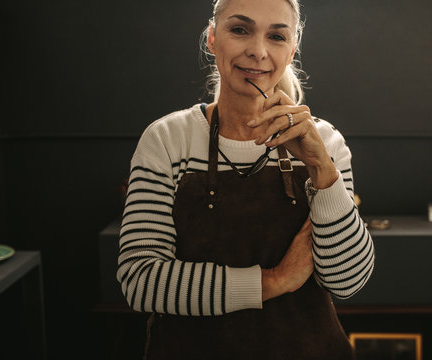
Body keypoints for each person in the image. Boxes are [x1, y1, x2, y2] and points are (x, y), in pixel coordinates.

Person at [117, 0, 374, 358]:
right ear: (212, 38)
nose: (258, 51)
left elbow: (347, 281)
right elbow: (141, 282)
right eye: (240, 30)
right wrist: (276, 280)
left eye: (277, 36)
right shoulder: (166, 140)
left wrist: (322, 169)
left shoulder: (326, 142)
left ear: (292, 49)